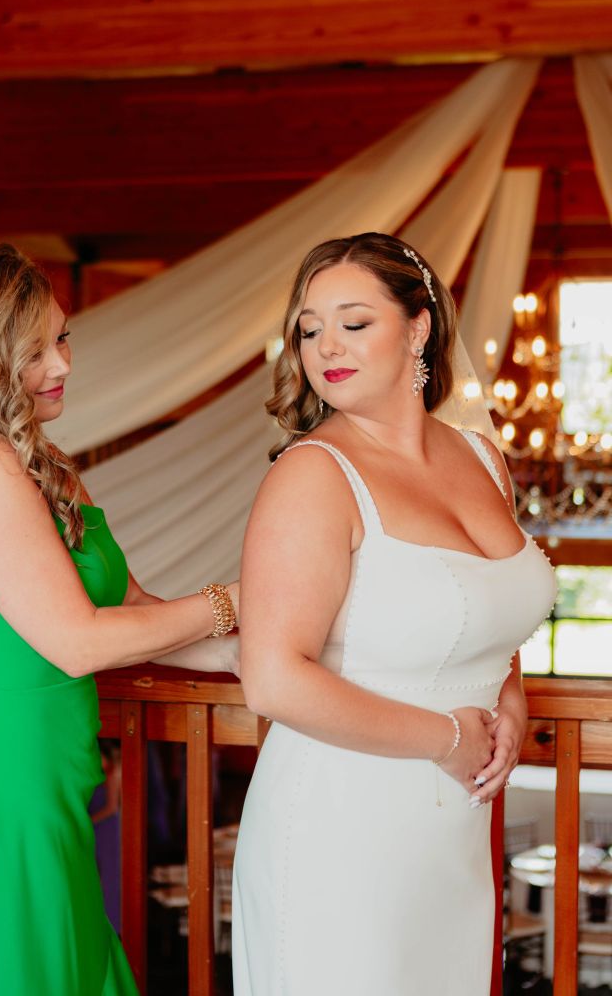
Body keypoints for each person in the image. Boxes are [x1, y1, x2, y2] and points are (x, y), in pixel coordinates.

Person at [0, 244, 238, 996]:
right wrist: (229, 602)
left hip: (53, 800)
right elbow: (78, 642)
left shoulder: (40, 463)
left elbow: (132, 608)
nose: (63, 364)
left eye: (63, 337)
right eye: (35, 352)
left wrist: (243, 652)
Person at [231, 233, 556, 995]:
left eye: (353, 322)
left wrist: (509, 699)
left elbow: (489, 617)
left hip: (451, 833)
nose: (326, 347)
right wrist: (449, 737)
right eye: (309, 329)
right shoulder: (312, 475)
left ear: (419, 328)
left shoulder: (482, 458)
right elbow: (273, 680)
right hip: (338, 822)